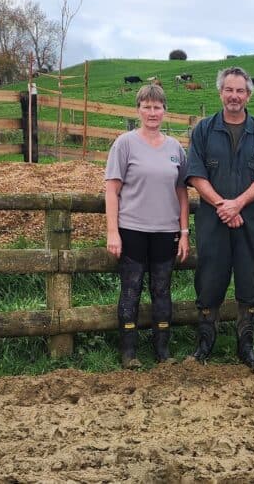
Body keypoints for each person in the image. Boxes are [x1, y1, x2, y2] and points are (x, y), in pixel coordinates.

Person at [185, 67, 254, 372]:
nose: (234, 96)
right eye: (229, 90)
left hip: (250, 218)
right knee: (210, 278)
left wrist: (238, 204)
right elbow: (195, 173)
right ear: (220, 92)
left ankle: (246, 345)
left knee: (251, 279)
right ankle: (204, 343)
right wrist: (222, 205)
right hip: (213, 220)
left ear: (248, 94)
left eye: (240, 91)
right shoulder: (203, 130)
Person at [105, 84, 190, 368]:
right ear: (138, 109)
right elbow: (111, 190)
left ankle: (162, 350)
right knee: (131, 289)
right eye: (147, 106)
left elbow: (182, 192)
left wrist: (184, 231)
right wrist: (112, 231)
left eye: (157, 107)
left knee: (162, 289)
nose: (152, 112)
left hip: (166, 230)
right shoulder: (125, 143)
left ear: (165, 111)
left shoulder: (175, 148)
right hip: (132, 228)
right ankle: (129, 352)